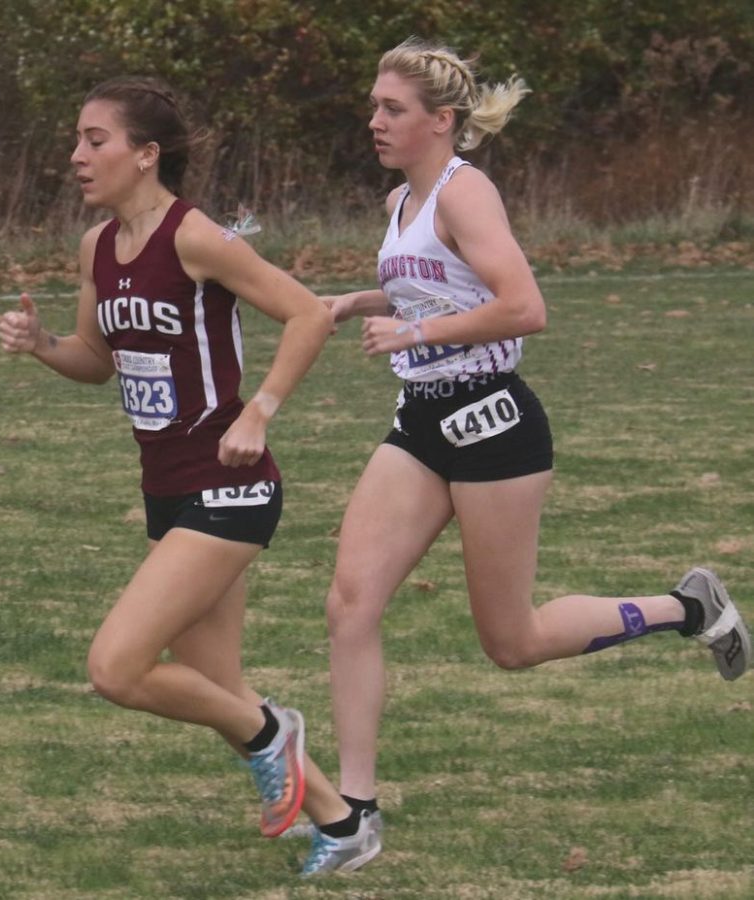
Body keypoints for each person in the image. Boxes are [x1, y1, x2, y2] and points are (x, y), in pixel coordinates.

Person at [313, 36, 752, 870]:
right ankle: (355, 812)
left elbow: (523, 306)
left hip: (494, 422)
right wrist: (353, 300)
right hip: (421, 420)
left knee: (511, 642)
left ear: (441, 121)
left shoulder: (464, 192)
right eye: (374, 105)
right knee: (349, 604)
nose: (374, 119)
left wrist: (413, 329)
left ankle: (686, 607)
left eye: (392, 108)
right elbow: (437, 287)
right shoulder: (398, 202)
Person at [0, 75, 375, 876]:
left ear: (145, 154)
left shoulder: (195, 235)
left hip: (229, 486)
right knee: (217, 689)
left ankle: (277, 733)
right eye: (77, 139)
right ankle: (344, 825)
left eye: (95, 140)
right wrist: (40, 346)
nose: (77, 155)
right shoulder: (97, 246)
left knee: (118, 666)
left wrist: (259, 410)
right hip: (168, 490)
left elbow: (308, 312)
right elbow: (97, 360)